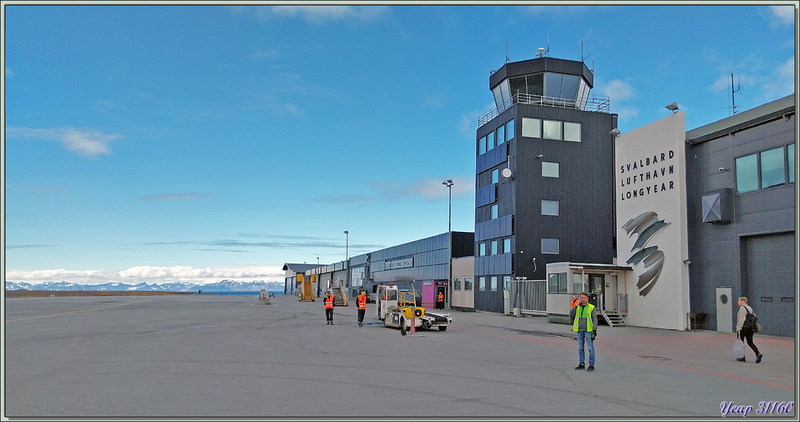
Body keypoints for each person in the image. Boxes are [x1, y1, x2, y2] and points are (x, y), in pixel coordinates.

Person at [569, 292, 597, 372]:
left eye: (584, 298)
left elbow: (595, 319)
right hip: (579, 330)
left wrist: (594, 330)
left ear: (587, 298)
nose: (582, 299)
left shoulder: (591, 307)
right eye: (581, 298)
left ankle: (591, 365)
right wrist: (576, 305)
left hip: (588, 330)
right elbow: (571, 314)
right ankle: (581, 363)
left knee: (590, 348)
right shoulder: (577, 307)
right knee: (580, 348)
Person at [735, 297, 762, 363]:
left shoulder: (742, 309)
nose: (738, 302)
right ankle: (757, 353)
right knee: (750, 342)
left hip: (743, 328)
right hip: (750, 328)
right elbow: (754, 317)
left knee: (741, 343)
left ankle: (742, 357)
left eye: (739, 301)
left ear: (743, 301)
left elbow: (742, 319)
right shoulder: (750, 308)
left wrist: (739, 328)